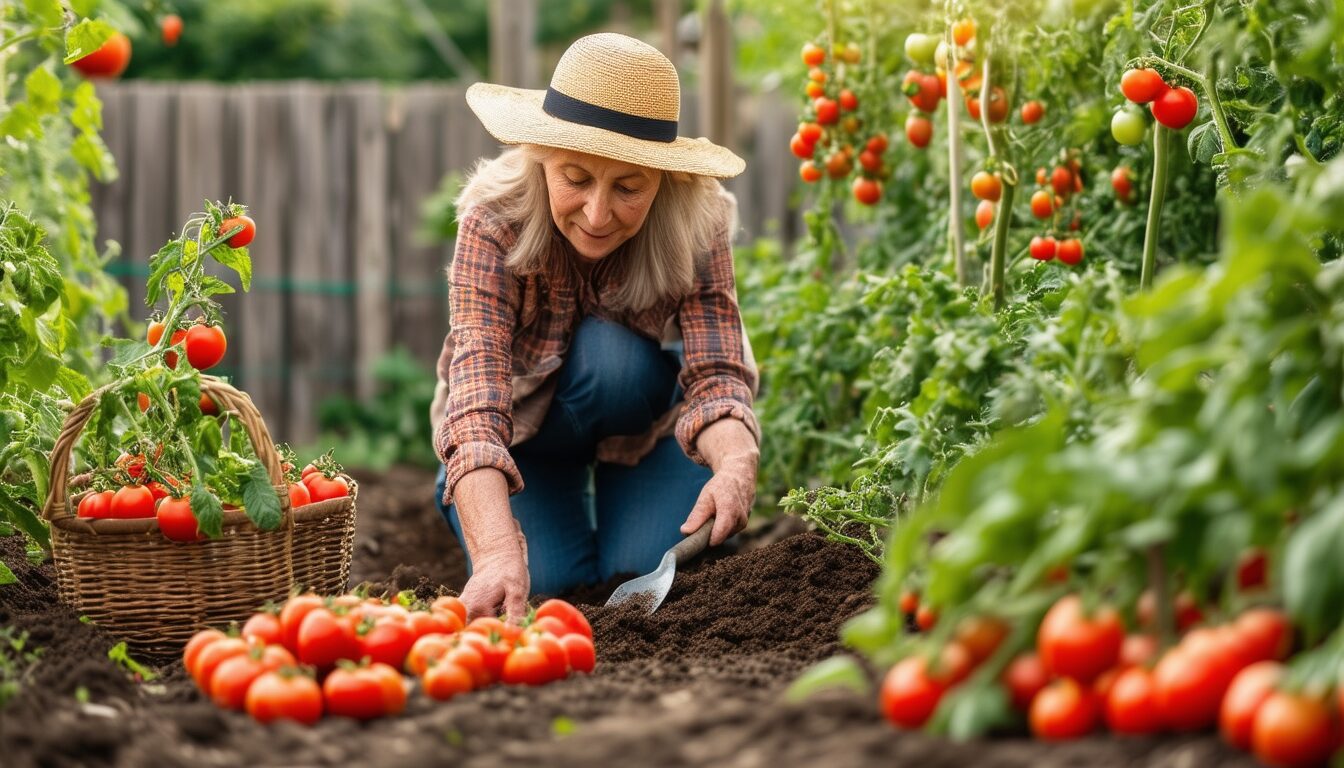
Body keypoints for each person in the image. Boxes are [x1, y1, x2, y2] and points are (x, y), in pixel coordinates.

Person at [429, 32, 760, 621]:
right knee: (548, 587)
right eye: (576, 178)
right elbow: (475, 404)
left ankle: (627, 497)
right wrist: (499, 550)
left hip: (641, 427)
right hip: (522, 439)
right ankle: (539, 512)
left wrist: (735, 464)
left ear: (663, 180)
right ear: (541, 156)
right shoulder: (494, 220)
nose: (598, 214)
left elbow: (716, 373)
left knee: (638, 571)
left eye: (628, 187)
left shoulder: (697, 222)